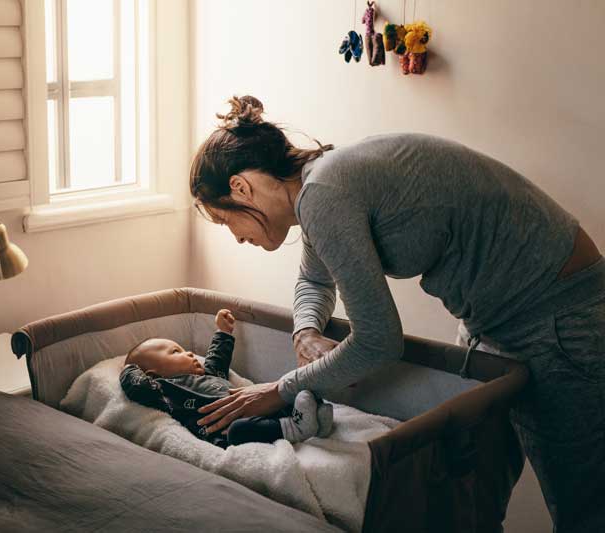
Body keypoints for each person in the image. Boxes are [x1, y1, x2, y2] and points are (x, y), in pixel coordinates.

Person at [189, 95, 604, 532]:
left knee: (583, 504)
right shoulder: (317, 188)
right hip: (492, 316)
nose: (235, 237)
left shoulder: (324, 194)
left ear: (240, 188)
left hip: (554, 309)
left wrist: (281, 390)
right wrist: (305, 330)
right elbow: (314, 281)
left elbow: (379, 340)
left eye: (225, 222)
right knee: (471, 492)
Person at [119, 308, 333, 448]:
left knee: (280, 395)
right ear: (152, 375)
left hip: (255, 406)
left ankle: (311, 421)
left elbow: (217, 360)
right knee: (240, 430)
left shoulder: (209, 374)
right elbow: (136, 387)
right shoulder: (163, 390)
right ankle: (296, 428)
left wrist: (223, 331)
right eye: (176, 352)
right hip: (226, 430)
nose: (190, 353)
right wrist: (129, 367)